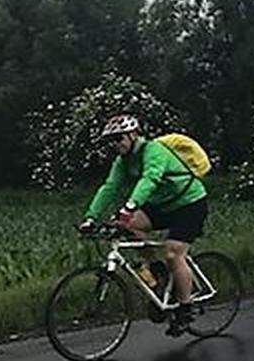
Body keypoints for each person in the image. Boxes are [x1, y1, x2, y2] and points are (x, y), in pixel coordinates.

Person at [79, 114, 209, 336]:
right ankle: (159, 272)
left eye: (118, 138)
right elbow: (109, 187)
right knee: (124, 225)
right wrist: (90, 217)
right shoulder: (122, 161)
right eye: (111, 141)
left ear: (133, 135)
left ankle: (186, 308)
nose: (115, 144)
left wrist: (130, 206)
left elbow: (150, 179)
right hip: (162, 206)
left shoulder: (154, 151)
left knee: (173, 253)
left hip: (189, 203)